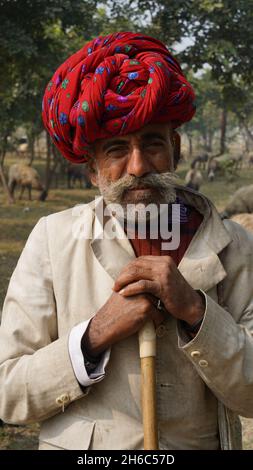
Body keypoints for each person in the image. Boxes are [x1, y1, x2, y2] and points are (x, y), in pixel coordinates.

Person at [0, 32, 253, 451]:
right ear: (91, 168)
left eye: (152, 142)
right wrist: (94, 336)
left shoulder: (236, 245)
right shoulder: (53, 238)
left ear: (175, 148)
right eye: (117, 148)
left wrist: (196, 311)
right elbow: (8, 394)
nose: (137, 167)